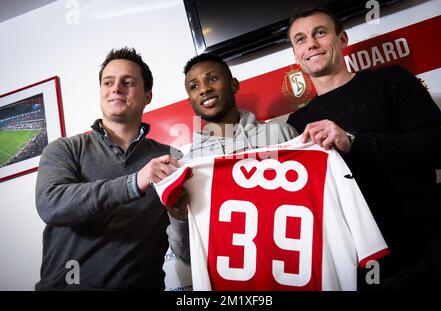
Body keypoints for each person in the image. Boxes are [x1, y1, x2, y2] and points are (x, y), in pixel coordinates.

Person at [286, 8, 441, 290]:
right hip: (361, 267)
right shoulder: (297, 123)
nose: (310, 43)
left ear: (343, 38)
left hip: (426, 246)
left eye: (320, 33)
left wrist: (354, 141)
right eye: (300, 39)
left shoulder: (391, 81)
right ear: (296, 54)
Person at [35, 47, 185, 290]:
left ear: (148, 96)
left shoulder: (172, 159)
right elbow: (51, 205)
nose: (116, 88)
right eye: (108, 82)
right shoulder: (64, 149)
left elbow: (187, 249)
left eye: (128, 82)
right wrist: (133, 183)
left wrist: (180, 217)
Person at [164, 53, 299, 264]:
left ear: (234, 85)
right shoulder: (188, 165)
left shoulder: (281, 135)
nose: (204, 89)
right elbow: (188, 257)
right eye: (194, 86)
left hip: (293, 268)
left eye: (211, 79)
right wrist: (179, 218)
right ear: (191, 101)